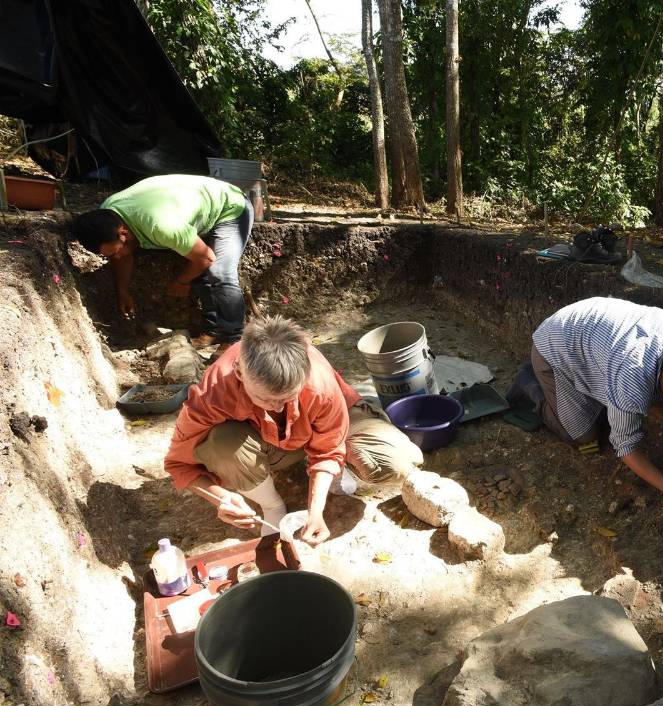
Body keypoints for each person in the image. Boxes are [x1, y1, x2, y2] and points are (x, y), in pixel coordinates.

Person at [164, 316, 423, 544]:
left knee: (397, 461)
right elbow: (178, 465)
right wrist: (219, 498)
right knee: (221, 446)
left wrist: (315, 512)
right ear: (240, 374)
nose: (279, 406)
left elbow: (328, 450)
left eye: (290, 397)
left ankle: (336, 471)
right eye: (266, 399)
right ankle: (272, 505)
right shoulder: (214, 391)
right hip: (266, 441)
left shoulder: (319, 383)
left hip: (323, 429)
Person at [508, 297, 663, 513]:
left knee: (630, 402)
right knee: (583, 436)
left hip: (592, 340)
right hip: (555, 346)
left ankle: (585, 394)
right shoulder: (633, 376)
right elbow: (625, 447)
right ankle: (531, 381)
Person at [72, 174, 253, 346]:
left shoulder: (160, 226)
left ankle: (233, 340)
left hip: (230, 206)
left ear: (123, 233)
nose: (116, 257)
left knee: (220, 271)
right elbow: (122, 255)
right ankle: (213, 332)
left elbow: (206, 258)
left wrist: (181, 282)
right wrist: (123, 290)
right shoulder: (107, 217)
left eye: (115, 252)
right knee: (198, 270)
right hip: (197, 207)